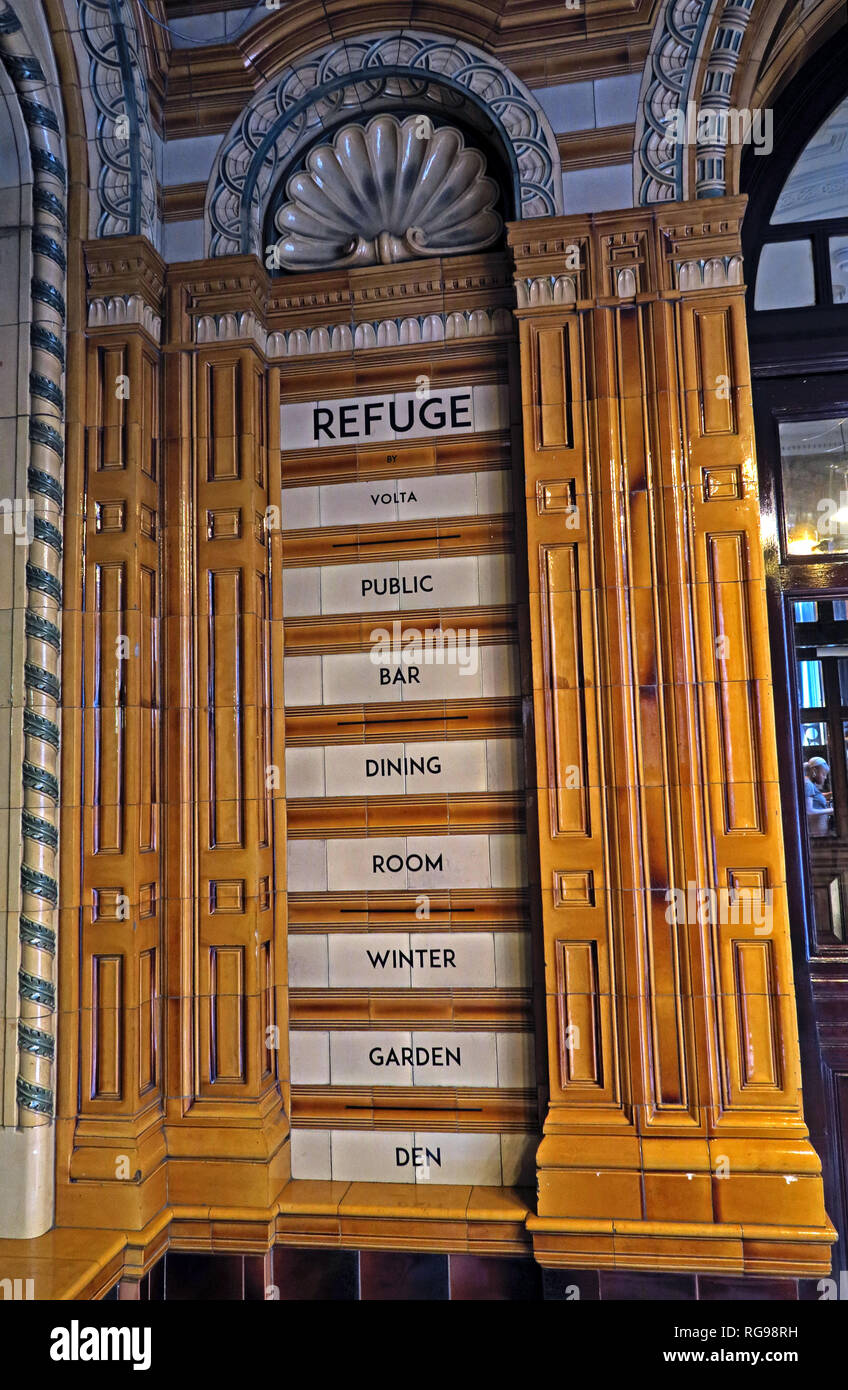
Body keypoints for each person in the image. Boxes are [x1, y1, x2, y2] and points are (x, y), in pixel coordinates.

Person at [804, 756, 832, 836]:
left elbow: (815, 797)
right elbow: (809, 811)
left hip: (818, 833)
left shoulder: (809, 783)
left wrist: (830, 794)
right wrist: (832, 810)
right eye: (823, 774)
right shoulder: (808, 784)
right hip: (815, 834)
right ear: (814, 770)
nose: (825, 777)